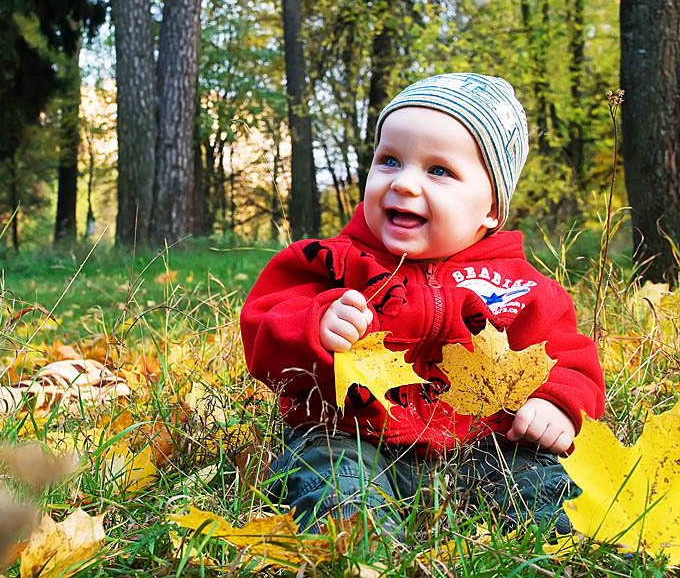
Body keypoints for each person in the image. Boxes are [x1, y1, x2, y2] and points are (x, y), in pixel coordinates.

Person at [240, 73, 605, 537]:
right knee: (334, 480)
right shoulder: (331, 262)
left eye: (439, 170)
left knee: (538, 483)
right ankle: (362, 546)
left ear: (492, 207)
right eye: (389, 161)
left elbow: (570, 359)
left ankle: (554, 545)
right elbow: (263, 330)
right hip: (352, 435)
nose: (406, 184)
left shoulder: (520, 288)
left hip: (485, 446)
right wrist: (315, 326)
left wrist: (557, 404)